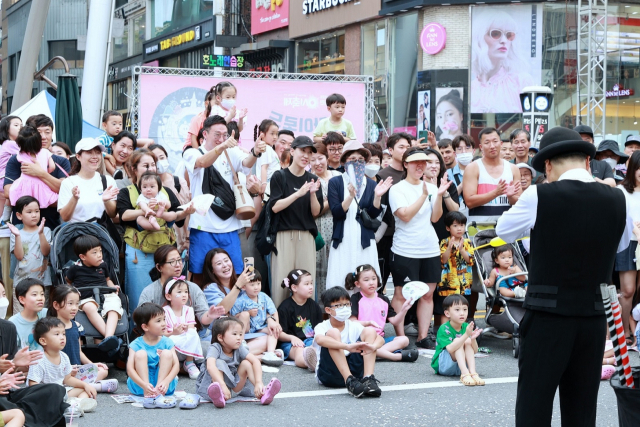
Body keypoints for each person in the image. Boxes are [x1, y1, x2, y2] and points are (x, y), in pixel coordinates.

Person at [496, 126, 633, 426]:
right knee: (582, 407)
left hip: (547, 315)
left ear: (547, 165)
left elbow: (502, 230)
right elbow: (621, 244)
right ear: (587, 161)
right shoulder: (617, 198)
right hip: (593, 317)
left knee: (534, 403)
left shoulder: (538, 194)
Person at [183, 115, 264, 286]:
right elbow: (202, 162)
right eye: (217, 134)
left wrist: (255, 152)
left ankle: (231, 310)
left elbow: (246, 163)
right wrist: (222, 147)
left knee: (234, 272)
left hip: (229, 224)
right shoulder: (192, 152)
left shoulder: (231, 151)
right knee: (199, 273)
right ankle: (201, 311)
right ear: (204, 134)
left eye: (225, 135)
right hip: (203, 225)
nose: (221, 138)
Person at [388, 147, 452, 349]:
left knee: (427, 294)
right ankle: (400, 336)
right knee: (402, 293)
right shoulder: (397, 189)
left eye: (423, 163)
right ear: (406, 164)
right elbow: (405, 215)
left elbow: (435, 218)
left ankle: (423, 336)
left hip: (429, 248)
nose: (420, 166)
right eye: (416, 162)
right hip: (405, 249)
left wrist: (439, 194)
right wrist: (424, 195)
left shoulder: (431, 187)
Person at [117, 149, 192, 311]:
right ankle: (139, 333)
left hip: (165, 250)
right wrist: (145, 210)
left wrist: (185, 212)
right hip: (139, 252)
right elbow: (123, 215)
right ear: (133, 169)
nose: (151, 168)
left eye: (153, 164)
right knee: (140, 298)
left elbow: (177, 215)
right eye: (146, 165)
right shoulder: (127, 192)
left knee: (171, 295)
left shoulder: (166, 192)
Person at [326, 141, 393, 291]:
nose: (357, 163)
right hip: (343, 238)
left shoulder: (370, 184)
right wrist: (350, 196)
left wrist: (377, 197)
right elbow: (336, 212)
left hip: (364, 240)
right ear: (344, 162)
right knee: (341, 282)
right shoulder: (335, 182)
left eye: (361, 160)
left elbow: (373, 214)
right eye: (352, 159)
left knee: (366, 282)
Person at [269, 136, 323, 308]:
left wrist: (312, 193)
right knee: (281, 282)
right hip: (283, 236)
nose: (306, 156)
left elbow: (315, 212)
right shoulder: (279, 176)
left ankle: (308, 327)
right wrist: (298, 194)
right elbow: (275, 207)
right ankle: (280, 326)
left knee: (306, 284)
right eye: (302, 151)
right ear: (292, 151)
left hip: (306, 237)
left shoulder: (313, 178)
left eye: (309, 152)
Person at [138, 245, 225, 337]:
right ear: (159, 267)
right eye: (172, 262)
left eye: (179, 260)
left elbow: (203, 317)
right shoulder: (149, 292)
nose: (178, 264)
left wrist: (210, 315)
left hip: (190, 339)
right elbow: (142, 321)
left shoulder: (193, 288)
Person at [195, 316, 281, 408]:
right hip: (212, 385)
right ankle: (218, 395)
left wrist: (259, 382)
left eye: (240, 334)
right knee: (219, 363)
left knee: (246, 363)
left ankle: (262, 391)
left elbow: (255, 361)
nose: (239, 338)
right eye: (235, 334)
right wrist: (223, 386)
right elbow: (210, 366)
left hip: (232, 386)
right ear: (220, 337)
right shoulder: (215, 347)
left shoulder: (239, 348)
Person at [312, 287, 383, 397]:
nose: (344, 308)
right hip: (330, 374)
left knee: (369, 331)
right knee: (333, 333)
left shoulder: (353, 325)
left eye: (347, 304)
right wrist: (347, 347)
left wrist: (373, 347)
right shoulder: (322, 326)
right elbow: (320, 340)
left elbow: (379, 339)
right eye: (339, 305)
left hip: (356, 375)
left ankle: (368, 378)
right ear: (328, 310)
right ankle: (349, 381)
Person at [0, 314, 69, 427]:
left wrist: (15, 364)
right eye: (57, 334)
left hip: (6, 394)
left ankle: (23, 418)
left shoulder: (7, 328)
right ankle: (23, 418)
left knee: (55, 389)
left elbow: (11, 372)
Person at [47, 285, 117, 392]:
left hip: (76, 370)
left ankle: (77, 386)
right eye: (70, 303)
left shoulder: (77, 326)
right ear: (56, 305)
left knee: (103, 370)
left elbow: (78, 351)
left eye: (77, 303)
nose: (74, 308)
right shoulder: (49, 328)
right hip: (58, 371)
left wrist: (92, 364)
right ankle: (91, 386)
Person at [66, 235, 123, 356]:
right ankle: (112, 339)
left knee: (114, 307)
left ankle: (108, 338)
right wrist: (73, 291)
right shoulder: (75, 268)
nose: (99, 255)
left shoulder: (103, 265)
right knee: (88, 307)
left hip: (105, 295)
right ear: (82, 257)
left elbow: (107, 279)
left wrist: (113, 287)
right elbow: (68, 282)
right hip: (87, 297)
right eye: (94, 252)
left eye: (100, 251)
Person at [346, 265, 417, 362]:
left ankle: (370, 354)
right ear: (358, 284)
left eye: (374, 279)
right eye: (366, 280)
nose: (371, 282)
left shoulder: (384, 299)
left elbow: (395, 322)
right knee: (359, 346)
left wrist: (404, 309)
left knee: (404, 339)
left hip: (380, 340)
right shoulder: (355, 298)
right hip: (361, 339)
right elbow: (352, 322)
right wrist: (368, 322)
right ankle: (394, 356)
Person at [3, 126, 70, 230]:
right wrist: (46, 172)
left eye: (47, 132)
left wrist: (40, 173)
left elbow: (65, 192)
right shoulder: (46, 154)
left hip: (49, 223)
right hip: (22, 224)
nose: (43, 136)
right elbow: (7, 192)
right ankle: (64, 222)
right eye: (40, 132)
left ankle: (4, 218)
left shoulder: (19, 156)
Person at [470, 10, 535, 113]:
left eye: (509, 35)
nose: (504, 40)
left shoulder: (521, 82)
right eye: (496, 34)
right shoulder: (470, 88)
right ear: (479, 38)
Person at [27, 317, 97, 412]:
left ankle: (76, 405)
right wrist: (49, 395)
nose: (62, 337)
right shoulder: (39, 359)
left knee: (86, 390)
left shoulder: (64, 356)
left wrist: (85, 385)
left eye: (63, 334)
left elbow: (67, 379)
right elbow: (33, 385)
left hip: (61, 392)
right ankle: (69, 405)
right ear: (43, 341)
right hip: (44, 396)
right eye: (57, 334)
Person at [463, 127, 521, 224]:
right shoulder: (473, 168)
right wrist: (495, 193)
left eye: (495, 141)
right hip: (479, 229)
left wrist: (510, 197)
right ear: (481, 147)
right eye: (487, 143)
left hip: (507, 228)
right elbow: (469, 202)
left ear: (501, 144)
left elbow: (519, 202)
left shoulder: (513, 169)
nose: (492, 146)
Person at [127, 303, 180, 409]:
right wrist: (144, 385)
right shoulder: (136, 344)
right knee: (141, 353)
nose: (164, 324)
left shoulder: (167, 342)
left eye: (164, 319)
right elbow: (130, 369)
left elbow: (176, 365)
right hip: (140, 386)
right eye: (158, 321)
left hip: (164, 386)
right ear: (145, 327)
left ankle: (159, 390)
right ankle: (148, 390)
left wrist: (166, 381)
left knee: (167, 353)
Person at [376, 133, 412, 287]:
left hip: (408, 236)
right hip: (386, 236)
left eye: (408, 147)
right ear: (390, 150)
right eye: (401, 147)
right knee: (379, 281)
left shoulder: (414, 174)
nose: (405, 150)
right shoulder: (381, 175)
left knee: (405, 285)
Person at [58, 138, 119, 223]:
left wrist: (106, 201)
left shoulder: (108, 181)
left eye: (98, 153)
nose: (94, 156)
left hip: (100, 233)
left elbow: (112, 214)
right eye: (89, 152)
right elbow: (65, 217)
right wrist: (74, 199)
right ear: (78, 157)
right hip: (77, 232)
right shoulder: (68, 182)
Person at [7, 196, 51, 314]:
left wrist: (40, 233)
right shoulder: (17, 233)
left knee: (41, 315)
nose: (34, 215)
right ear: (19, 215)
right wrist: (17, 236)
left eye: (37, 211)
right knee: (21, 314)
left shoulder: (46, 230)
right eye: (29, 212)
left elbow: (46, 252)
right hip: (21, 282)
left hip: (42, 282)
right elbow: (19, 256)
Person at [230, 270, 283, 365]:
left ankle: (270, 353)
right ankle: (242, 345)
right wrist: (248, 312)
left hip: (260, 328)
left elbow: (274, 311)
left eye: (258, 284)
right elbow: (233, 317)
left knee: (272, 330)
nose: (256, 287)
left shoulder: (264, 297)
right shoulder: (241, 299)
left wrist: (276, 324)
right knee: (244, 314)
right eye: (252, 285)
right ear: (243, 287)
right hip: (247, 330)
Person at [430, 295, 484, 386]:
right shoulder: (444, 328)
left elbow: (474, 351)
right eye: (457, 310)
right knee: (457, 341)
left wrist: (473, 340)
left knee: (467, 341)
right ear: (447, 313)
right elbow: (451, 349)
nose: (462, 313)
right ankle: (464, 374)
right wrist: (466, 335)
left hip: (460, 365)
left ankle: (472, 373)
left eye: (465, 309)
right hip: (444, 366)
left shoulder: (466, 326)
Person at [615, 151, 640, 345]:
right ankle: (624, 332)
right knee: (628, 291)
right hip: (627, 242)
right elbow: (618, 217)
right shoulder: (621, 191)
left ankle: (635, 328)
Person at [310, 143, 341, 297]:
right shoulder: (309, 180)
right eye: (312, 159)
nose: (317, 163)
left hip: (338, 226)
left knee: (337, 266)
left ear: (327, 158)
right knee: (319, 269)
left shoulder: (338, 177)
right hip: (318, 229)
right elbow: (313, 211)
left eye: (320, 158)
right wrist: (333, 201)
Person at [276, 269, 323, 371]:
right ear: (294, 287)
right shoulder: (285, 307)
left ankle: (319, 360)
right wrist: (292, 338)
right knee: (299, 350)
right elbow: (279, 333)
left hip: (309, 340)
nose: (311, 286)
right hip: (290, 343)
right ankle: (309, 363)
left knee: (317, 346)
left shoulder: (314, 305)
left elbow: (320, 327)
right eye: (306, 284)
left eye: (311, 283)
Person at [149, 144, 191, 254]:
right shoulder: (146, 187)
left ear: (167, 158)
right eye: (154, 159)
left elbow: (187, 212)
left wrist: (187, 239)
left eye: (162, 158)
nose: (159, 162)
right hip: (155, 240)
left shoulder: (179, 182)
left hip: (179, 242)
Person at [8, 126, 58, 212]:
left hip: (25, 184)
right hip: (41, 184)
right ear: (39, 141)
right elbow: (52, 166)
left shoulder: (20, 155)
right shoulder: (45, 152)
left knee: (24, 205)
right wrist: (45, 171)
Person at [162, 276, 203, 380]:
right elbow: (162, 333)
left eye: (186, 291)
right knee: (169, 339)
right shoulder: (164, 311)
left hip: (185, 339)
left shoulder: (189, 310)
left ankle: (189, 362)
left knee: (193, 333)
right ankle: (173, 365)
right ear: (168, 296)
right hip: (172, 339)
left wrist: (185, 329)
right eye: (179, 292)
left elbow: (191, 328)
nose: (184, 295)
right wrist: (174, 332)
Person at [438, 211, 475, 298]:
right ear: (448, 228)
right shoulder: (444, 242)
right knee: (448, 307)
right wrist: (449, 248)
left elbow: (470, 261)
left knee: (463, 305)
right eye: (455, 226)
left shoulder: (468, 242)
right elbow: (443, 260)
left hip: (464, 284)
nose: (459, 229)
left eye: (462, 225)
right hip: (448, 284)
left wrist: (461, 249)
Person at [9, 278, 47, 351]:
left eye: (42, 294)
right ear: (22, 299)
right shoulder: (13, 323)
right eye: (34, 294)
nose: (40, 298)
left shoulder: (46, 313)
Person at [0, 116, 22, 223]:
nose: (20, 128)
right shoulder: (11, 144)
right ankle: (5, 220)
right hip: (5, 179)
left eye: (21, 125)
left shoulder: (6, 144)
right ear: (7, 128)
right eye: (16, 125)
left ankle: (5, 219)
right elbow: (26, 152)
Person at [255, 119, 281, 194]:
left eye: (276, 134)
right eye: (272, 134)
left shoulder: (269, 149)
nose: (275, 137)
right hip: (267, 185)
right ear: (262, 134)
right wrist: (264, 184)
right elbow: (264, 167)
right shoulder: (266, 148)